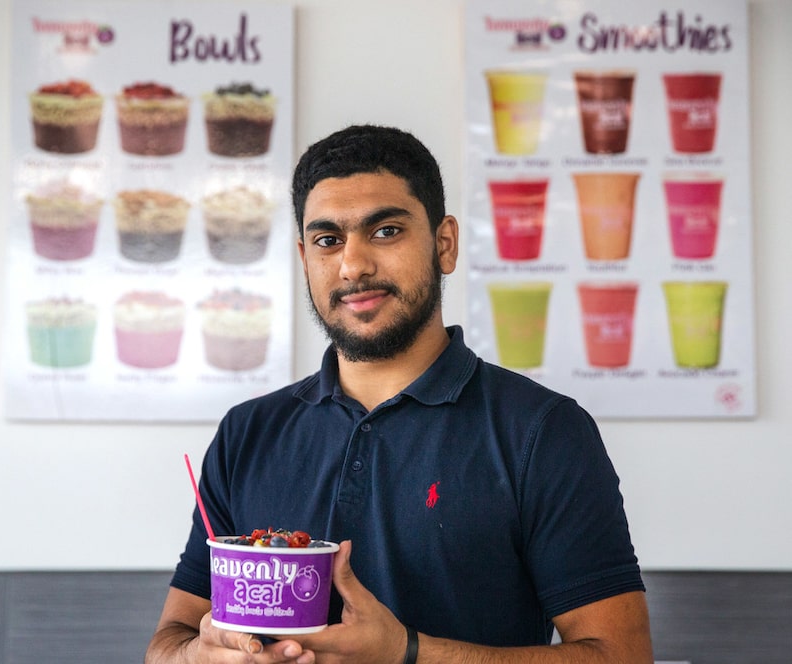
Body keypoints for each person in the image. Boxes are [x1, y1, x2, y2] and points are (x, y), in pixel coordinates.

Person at [145, 124, 653, 664]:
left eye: (385, 231)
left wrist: (407, 652)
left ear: (445, 244)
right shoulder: (247, 433)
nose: (353, 264)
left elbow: (622, 655)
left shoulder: (542, 431)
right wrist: (202, 656)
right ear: (304, 259)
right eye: (327, 240)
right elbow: (168, 642)